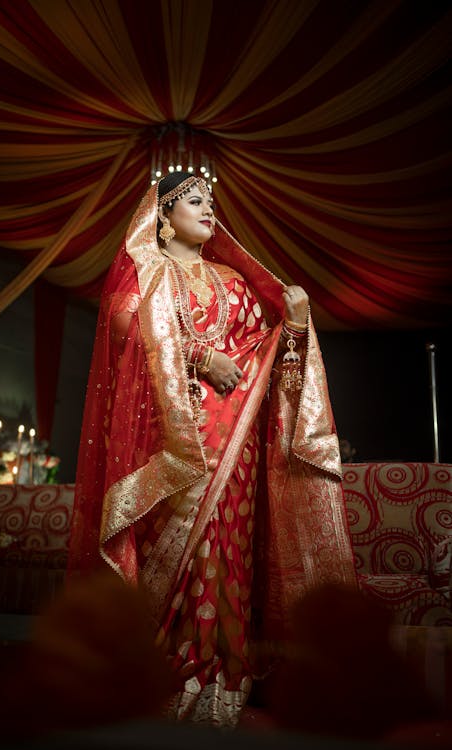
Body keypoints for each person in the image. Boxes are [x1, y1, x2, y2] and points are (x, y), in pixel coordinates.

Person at [67, 171, 356, 727]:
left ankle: (216, 674)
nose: (209, 210)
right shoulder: (145, 271)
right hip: (166, 444)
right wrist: (200, 356)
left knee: (226, 549)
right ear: (163, 213)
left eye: (211, 202)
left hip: (234, 444)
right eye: (195, 200)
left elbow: (264, 353)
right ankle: (153, 673)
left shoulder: (233, 279)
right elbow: (127, 329)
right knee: (165, 549)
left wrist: (294, 326)